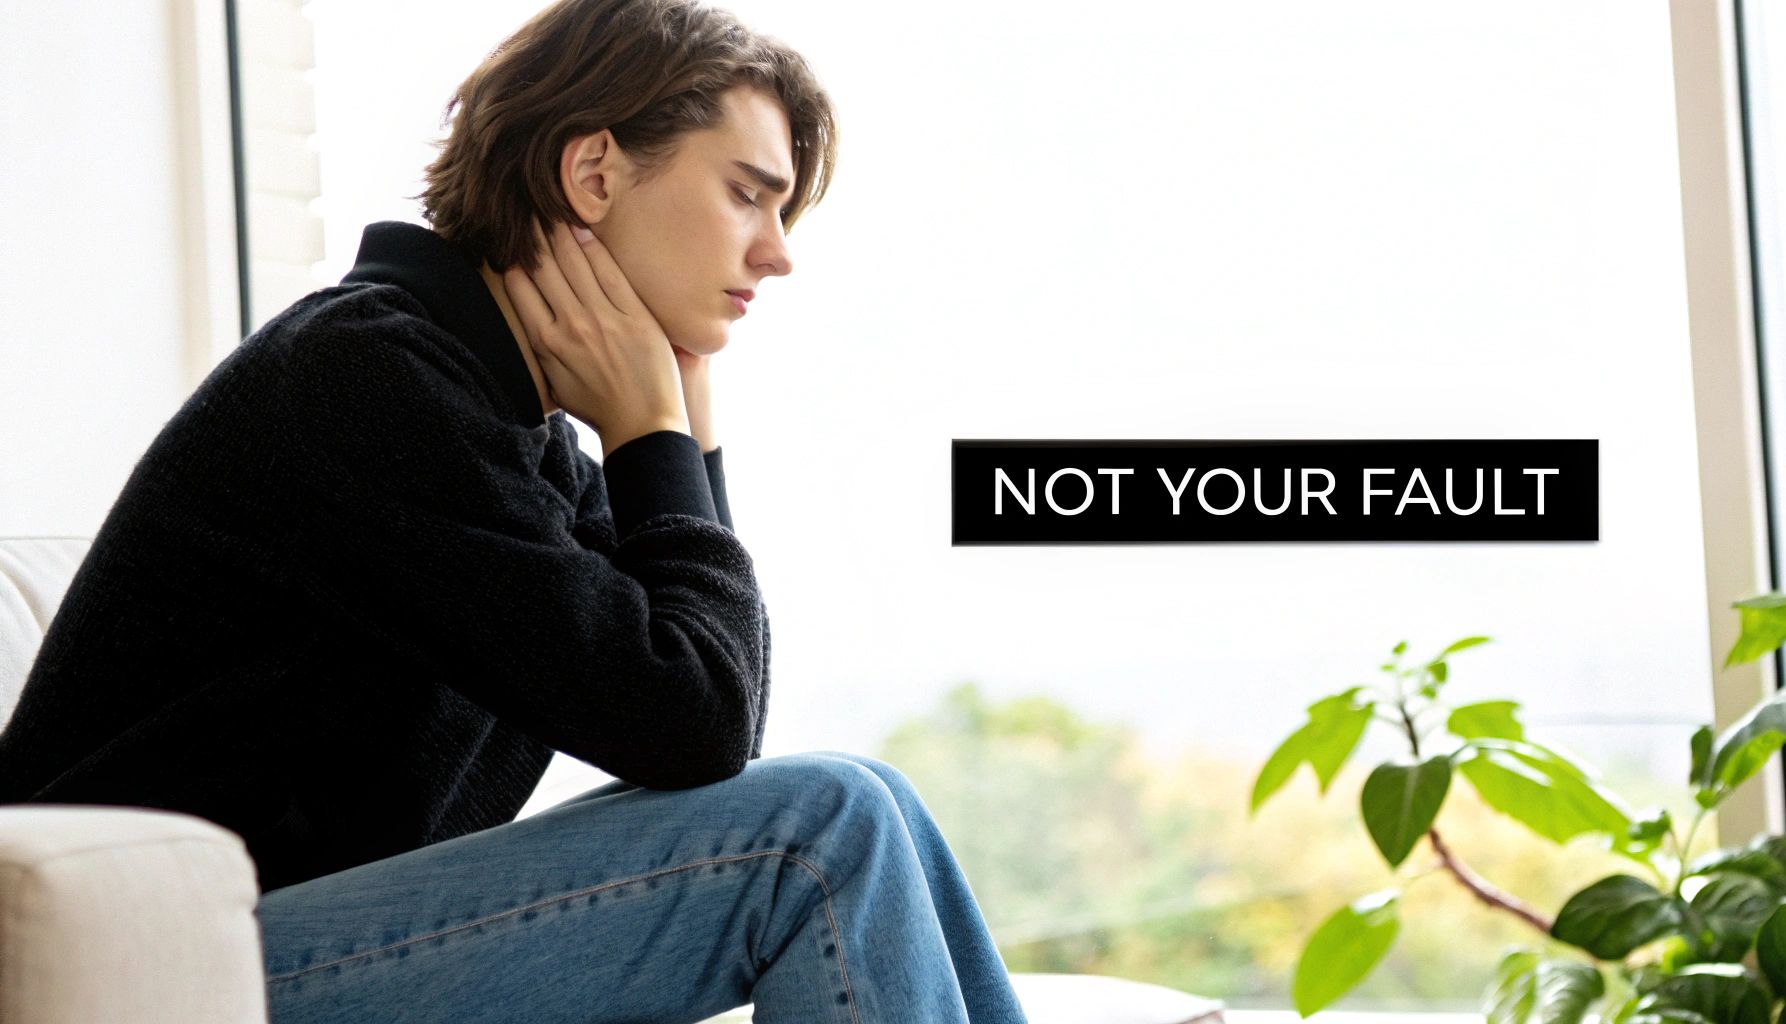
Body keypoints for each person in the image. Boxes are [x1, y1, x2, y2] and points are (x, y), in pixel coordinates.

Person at [0, 0, 1030, 1020]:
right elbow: (696, 723)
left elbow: (715, 723)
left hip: (294, 940)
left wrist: (679, 431)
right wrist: (658, 434)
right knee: (821, 827)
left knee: (868, 792)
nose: (776, 252)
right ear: (592, 174)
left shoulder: (510, 428)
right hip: (171, 976)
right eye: (746, 195)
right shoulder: (367, 380)